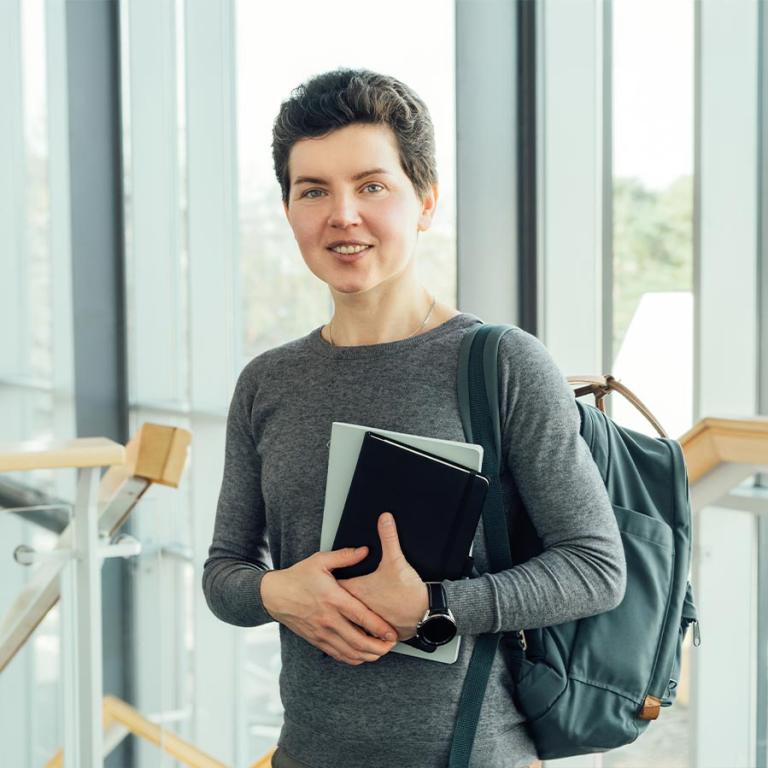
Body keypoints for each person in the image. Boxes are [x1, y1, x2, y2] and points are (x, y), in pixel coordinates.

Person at [202, 68, 627, 768]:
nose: (342, 215)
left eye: (372, 186)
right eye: (314, 191)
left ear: (425, 202)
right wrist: (275, 591)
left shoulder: (502, 364)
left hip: (469, 755)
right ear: (289, 210)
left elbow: (595, 567)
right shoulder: (267, 383)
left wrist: (433, 603)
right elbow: (227, 572)